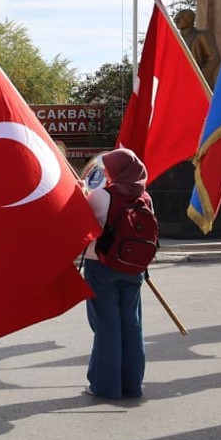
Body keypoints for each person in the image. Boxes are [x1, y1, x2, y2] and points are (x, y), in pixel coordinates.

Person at [82, 148, 152, 400]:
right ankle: (132, 385)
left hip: (101, 266)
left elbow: (86, 228)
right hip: (134, 268)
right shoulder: (145, 196)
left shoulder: (101, 195)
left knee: (106, 325)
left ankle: (105, 386)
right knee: (132, 325)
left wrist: (82, 194)